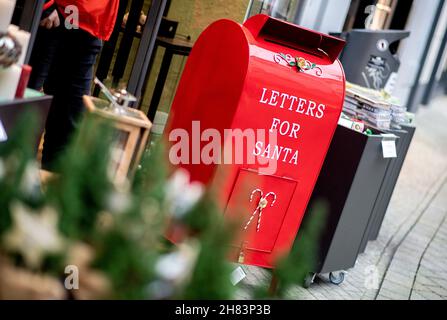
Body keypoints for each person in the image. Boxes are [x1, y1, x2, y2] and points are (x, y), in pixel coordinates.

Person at [29, 0, 119, 170]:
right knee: (22, 114)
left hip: (88, 24)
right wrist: (47, 5)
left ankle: (51, 193)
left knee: (67, 132)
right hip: (57, 16)